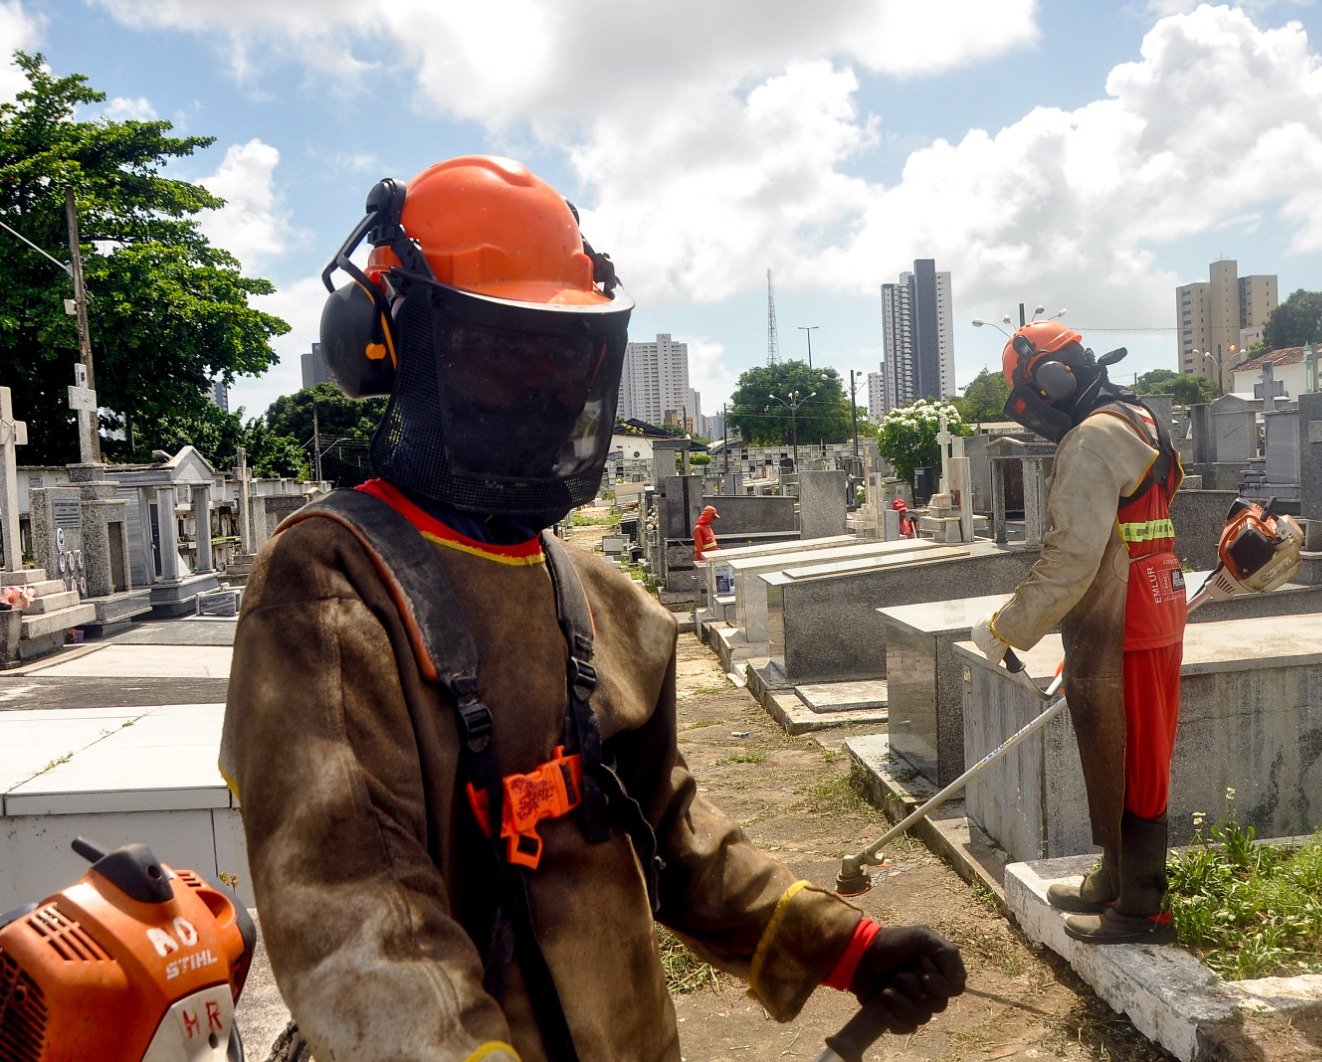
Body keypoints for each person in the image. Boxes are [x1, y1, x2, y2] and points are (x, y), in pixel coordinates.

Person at [221, 155, 964, 1060]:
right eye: (501, 353)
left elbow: (671, 832)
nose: (542, 389)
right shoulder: (329, 584)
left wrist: (846, 945)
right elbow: (354, 915)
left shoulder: (601, 598)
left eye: (558, 354)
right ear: (391, 347)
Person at [970, 322, 1185, 945]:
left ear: (1052, 381)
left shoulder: (1091, 441)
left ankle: (1144, 908)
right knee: (1116, 751)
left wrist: (1006, 627)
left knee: (1136, 759)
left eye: (1025, 396)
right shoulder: (1141, 417)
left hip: (1125, 620)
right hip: (1146, 605)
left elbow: (1071, 555)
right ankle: (1116, 877)